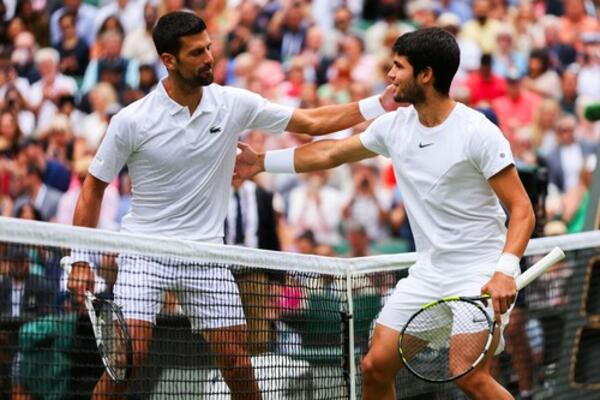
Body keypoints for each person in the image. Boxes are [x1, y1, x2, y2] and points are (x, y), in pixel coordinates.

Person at [66, 11, 394, 400]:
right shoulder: (131, 121)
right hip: (144, 251)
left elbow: (310, 121)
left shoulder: (232, 103)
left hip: (207, 252)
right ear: (169, 61)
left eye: (208, 48)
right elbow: (93, 188)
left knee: (239, 364)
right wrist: (81, 258)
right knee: (128, 361)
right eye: (196, 53)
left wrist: (379, 103)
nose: (209, 58)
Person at [235, 27, 536, 400]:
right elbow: (330, 153)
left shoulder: (478, 132)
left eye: (398, 67)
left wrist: (505, 270)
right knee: (374, 368)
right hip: (428, 275)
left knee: (469, 375)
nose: (390, 76)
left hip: (479, 273)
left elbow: (522, 209)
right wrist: (262, 162)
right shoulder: (394, 127)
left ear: (425, 75)